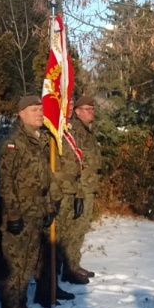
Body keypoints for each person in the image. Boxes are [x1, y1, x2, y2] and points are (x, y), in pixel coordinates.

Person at [0, 96, 64, 308]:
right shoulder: (13, 142)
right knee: (15, 263)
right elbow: (6, 183)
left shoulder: (40, 141)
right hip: (20, 210)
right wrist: (13, 214)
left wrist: (48, 208)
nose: (39, 113)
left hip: (36, 209)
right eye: (34, 110)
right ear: (21, 114)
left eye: (41, 109)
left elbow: (44, 179)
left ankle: (21, 304)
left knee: (29, 261)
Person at [56, 95, 102, 285]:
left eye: (92, 109)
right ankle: (67, 268)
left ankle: (73, 265)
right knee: (71, 231)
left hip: (88, 187)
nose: (91, 112)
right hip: (79, 189)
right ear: (77, 112)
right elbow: (76, 164)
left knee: (80, 229)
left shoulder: (87, 130)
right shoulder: (75, 131)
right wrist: (79, 192)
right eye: (87, 109)